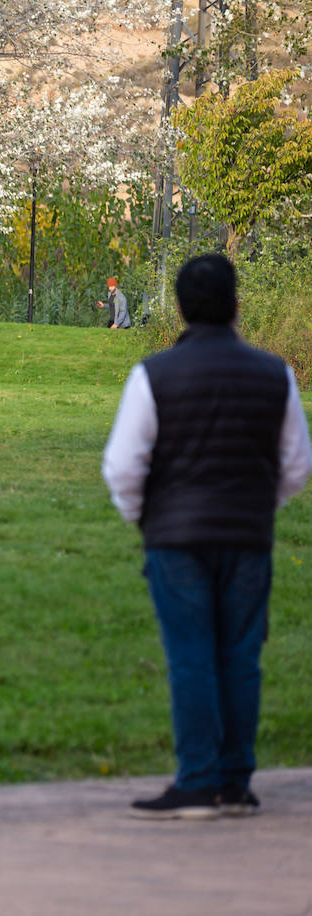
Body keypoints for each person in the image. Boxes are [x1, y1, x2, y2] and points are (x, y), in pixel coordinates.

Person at [103, 253, 312, 820]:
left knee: (192, 655)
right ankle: (235, 781)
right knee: (242, 656)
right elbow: (296, 464)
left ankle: (198, 780)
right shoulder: (276, 374)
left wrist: (144, 518)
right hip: (248, 535)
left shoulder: (154, 375)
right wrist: (258, 506)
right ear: (236, 304)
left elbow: (124, 466)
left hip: (175, 538)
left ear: (179, 307)